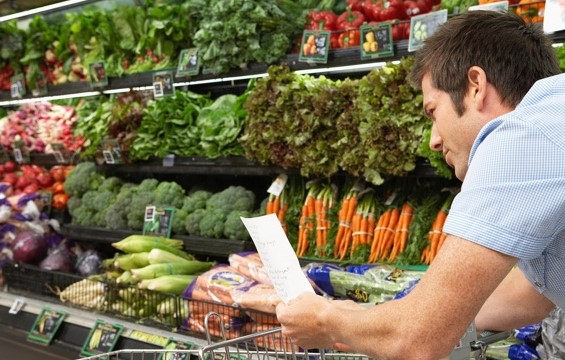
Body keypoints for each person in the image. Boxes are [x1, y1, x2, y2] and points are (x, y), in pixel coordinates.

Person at [276, 10, 564, 360]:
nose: (434, 139)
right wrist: (371, 317)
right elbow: (528, 295)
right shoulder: (550, 122)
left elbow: (417, 340)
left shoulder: (522, 137)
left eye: (433, 112)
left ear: (476, 86)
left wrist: (326, 320)